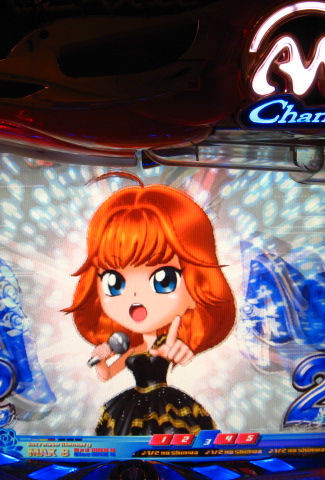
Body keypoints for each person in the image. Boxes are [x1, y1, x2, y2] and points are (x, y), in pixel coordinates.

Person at [64, 172, 235, 435]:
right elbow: (106, 376)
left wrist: (185, 346)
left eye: (164, 280)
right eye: (114, 282)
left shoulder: (169, 340)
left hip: (166, 404)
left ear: (197, 284)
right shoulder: (131, 348)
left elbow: (178, 346)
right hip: (130, 406)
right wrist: (99, 359)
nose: (135, 296)